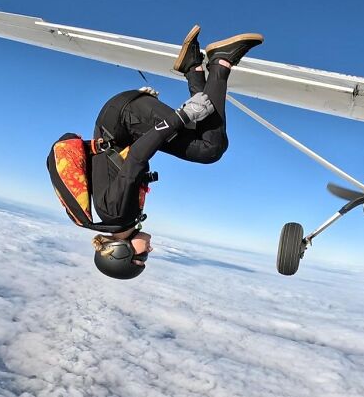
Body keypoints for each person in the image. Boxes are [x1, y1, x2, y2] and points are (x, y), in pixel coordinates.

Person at [89, 25, 262, 279]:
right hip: (124, 121)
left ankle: (220, 61)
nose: (149, 249)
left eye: (142, 256)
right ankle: (194, 66)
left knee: (211, 148)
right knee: (208, 146)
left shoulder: (116, 212)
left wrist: (182, 116)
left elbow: (137, 155)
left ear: (121, 251)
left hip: (126, 118)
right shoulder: (117, 218)